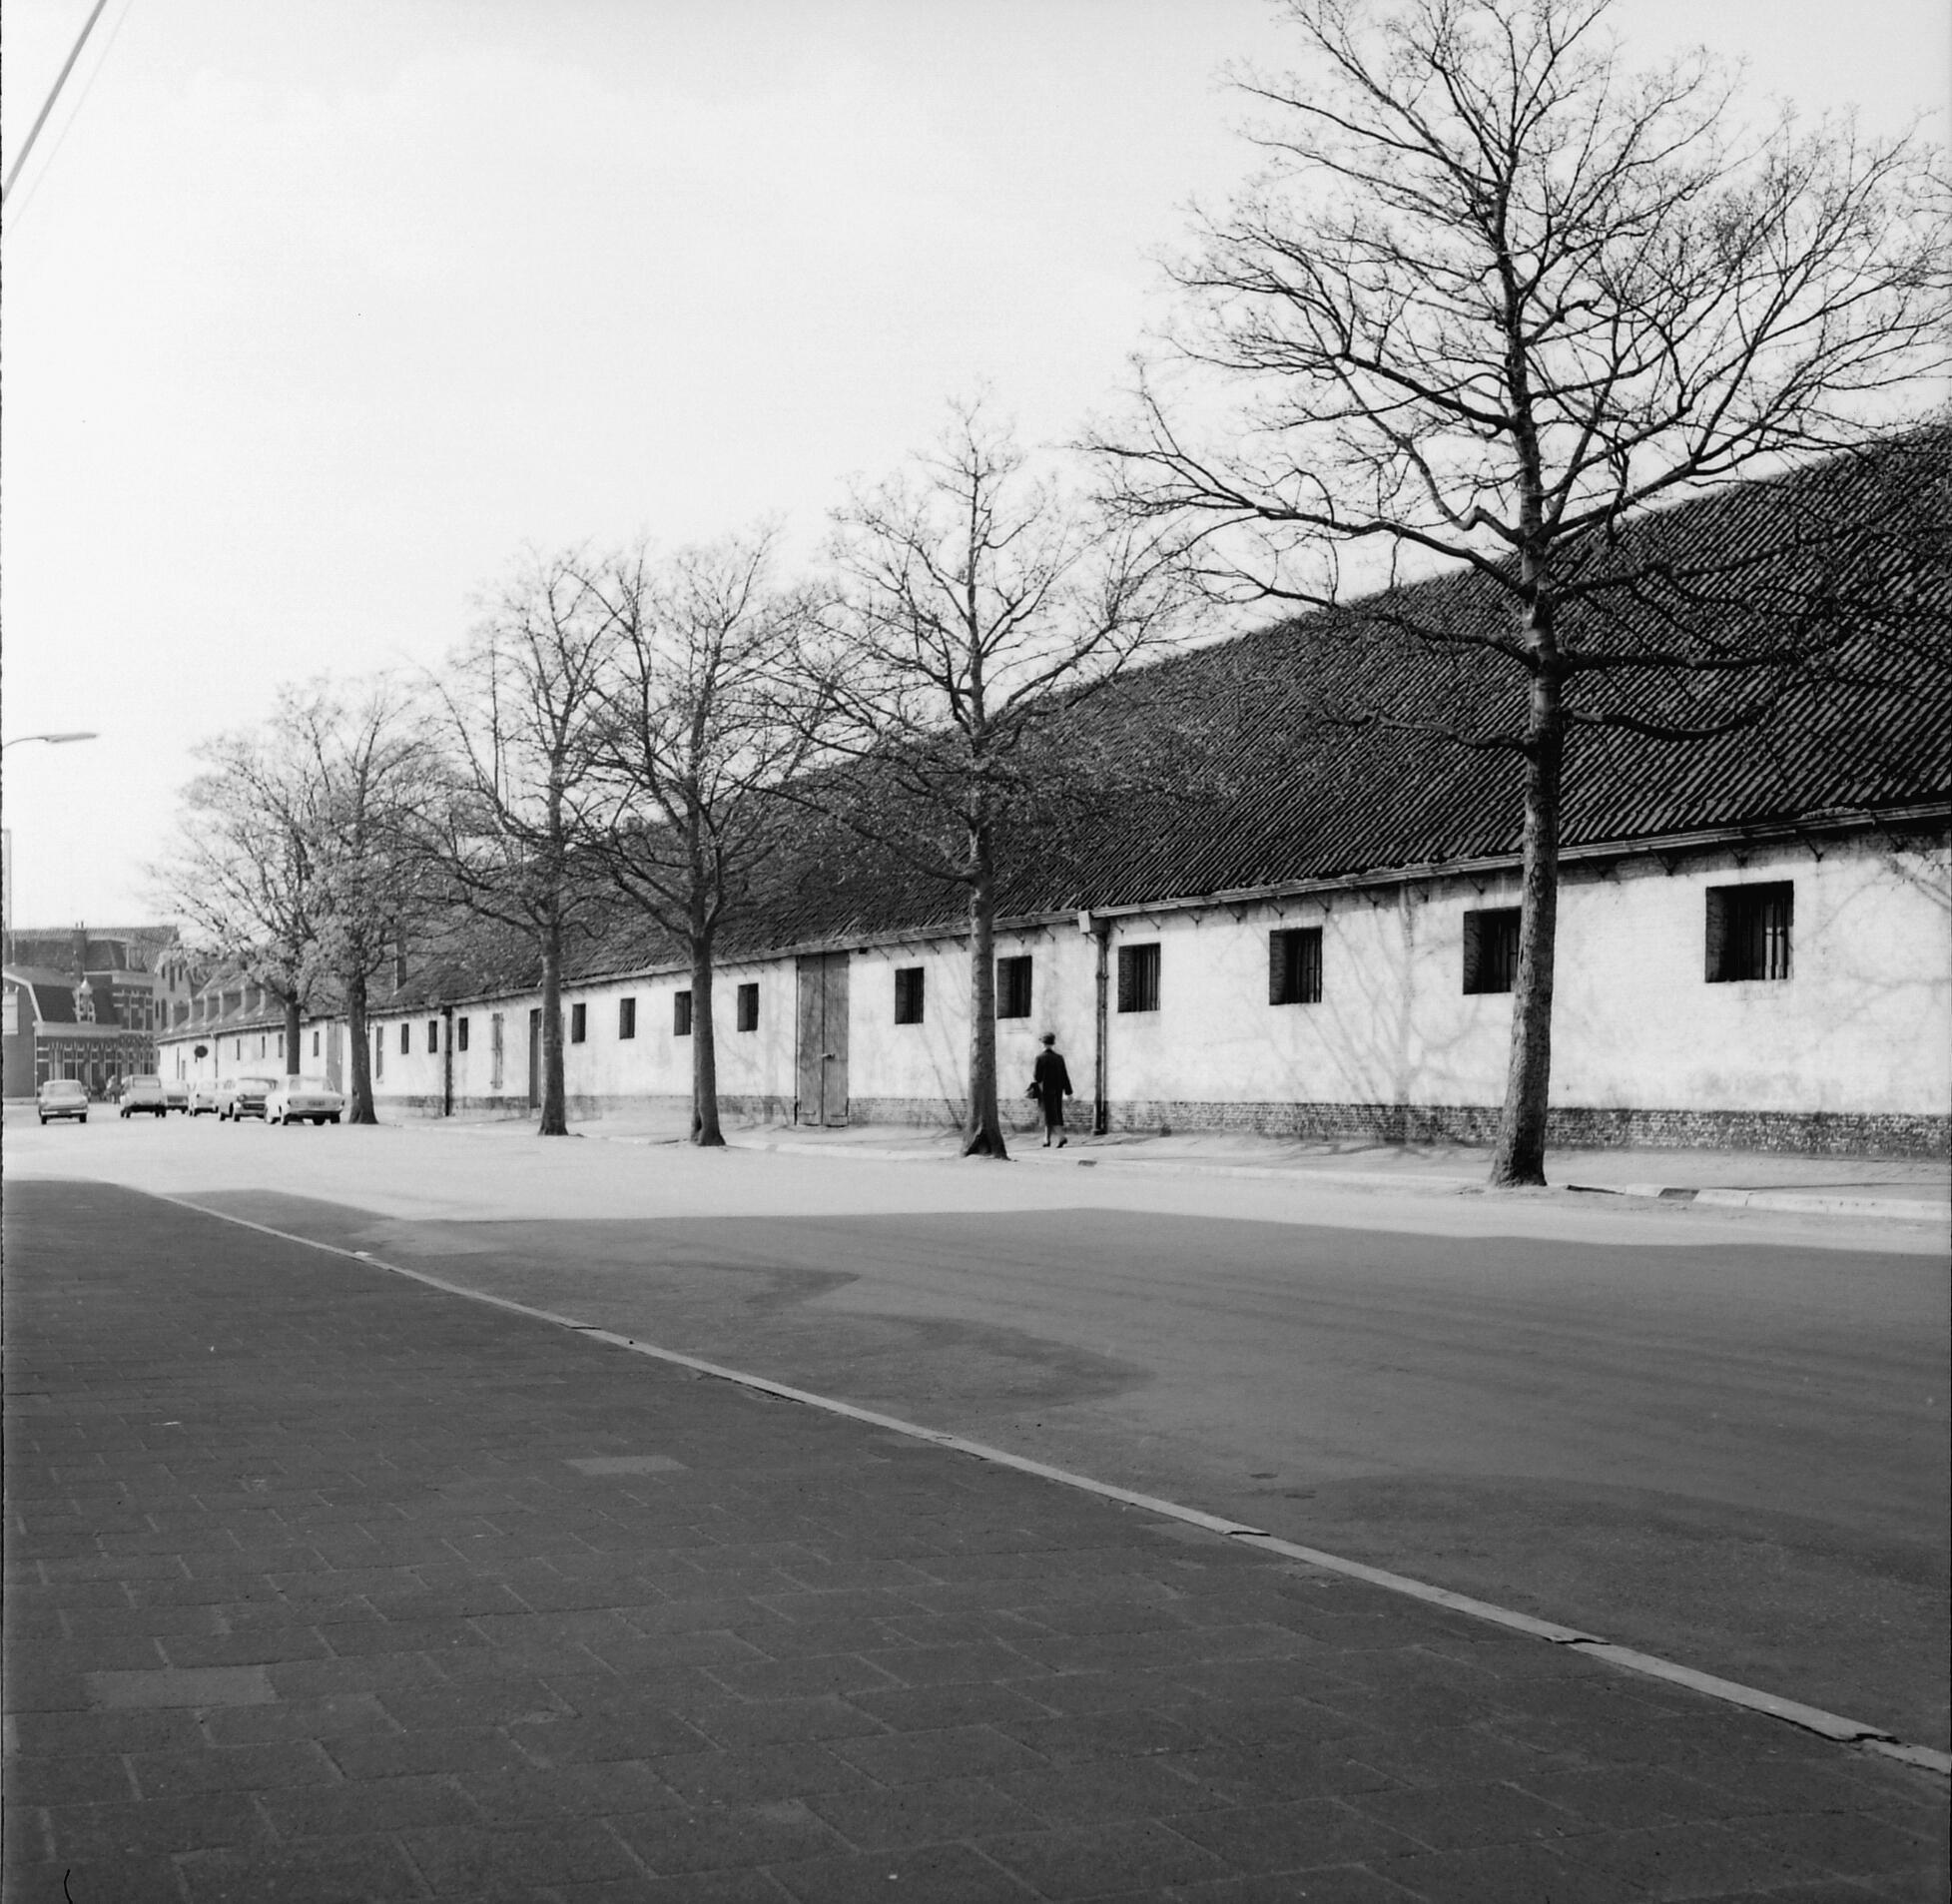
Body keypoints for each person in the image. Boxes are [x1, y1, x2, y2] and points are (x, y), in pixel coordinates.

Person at [1031, 1031, 1073, 1148]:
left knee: (1049, 1115)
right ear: (1052, 1043)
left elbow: (1036, 1076)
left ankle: (1062, 1137)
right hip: (1057, 1091)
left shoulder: (1040, 1058)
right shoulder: (1059, 1058)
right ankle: (1046, 1139)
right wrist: (1069, 1092)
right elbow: (1065, 1075)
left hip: (1045, 1091)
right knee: (1053, 1114)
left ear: (1043, 1044)